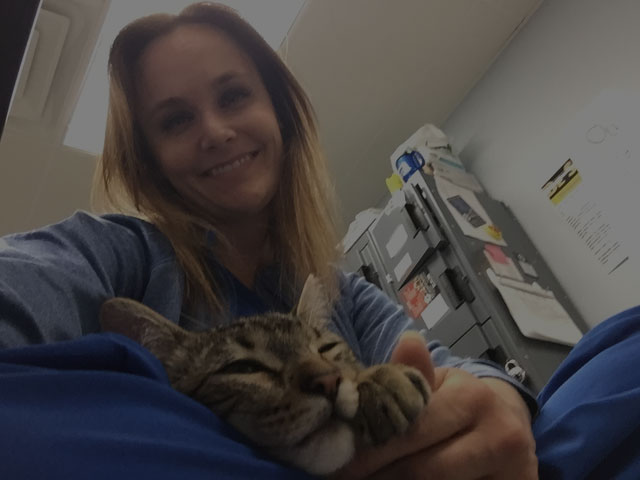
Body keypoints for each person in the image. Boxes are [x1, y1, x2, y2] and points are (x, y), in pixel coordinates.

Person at [0, 2, 540, 478]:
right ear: (151, 161)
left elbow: (451, 368)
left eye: (233, 95)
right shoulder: (119, 254)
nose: (214, 131)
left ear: (279, 114)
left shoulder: (338, 293)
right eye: (176, 120)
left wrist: (497, 397)